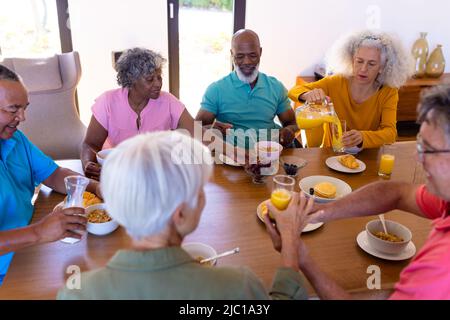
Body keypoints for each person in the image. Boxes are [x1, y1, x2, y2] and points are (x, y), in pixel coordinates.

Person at [57, 131, 308, 299]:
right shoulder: (237, 286)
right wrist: (290, 246)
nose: (203, 198)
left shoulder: (75, 292)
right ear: (179, 214)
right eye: (198, 191)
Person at [266, 85, 450, 299]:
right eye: (419, 146)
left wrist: (295, 250)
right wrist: (320, 211)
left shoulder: (438, 271)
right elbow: (397, 193)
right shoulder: (444, 198)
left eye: (429, 149)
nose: (419, 158)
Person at [0, 65, 101, 285]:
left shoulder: (15, 140)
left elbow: (54, 174)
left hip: (28, 250)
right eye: (13, 109)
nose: (23, 117)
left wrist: (95, 187)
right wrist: (38, 232)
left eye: (24, 108)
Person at [81, 48, 199, 180]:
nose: (158, 84)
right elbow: (91, 144)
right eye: (150, 79)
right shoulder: (107, 102)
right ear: (131, 80)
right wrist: (88, 164)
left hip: (155, 175)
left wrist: (225, 149)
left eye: (159, 77)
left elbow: (198, 134)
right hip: (116, 175)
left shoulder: (168, 101)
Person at [289, 30, 413, 150]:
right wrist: (307, 94)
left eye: (371, 64)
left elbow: (390, 134)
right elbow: (293, 91)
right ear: (352, 60)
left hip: (367, 156)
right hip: (331, 153)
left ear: (381, 67)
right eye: (359, 61)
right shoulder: (336, 81)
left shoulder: (388, 92)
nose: (363, 69)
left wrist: (362, 137)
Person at [195, 29, 299, 150]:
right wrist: (211, 129)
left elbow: (292, 123)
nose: (247, 62)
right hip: (231, 158)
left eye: (252, 55)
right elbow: (196, 129)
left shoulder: (276, 87)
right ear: (232, 54)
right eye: (240, 56)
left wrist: (288, 131)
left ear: (260, 52)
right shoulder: (216, 90)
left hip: (269, 155)